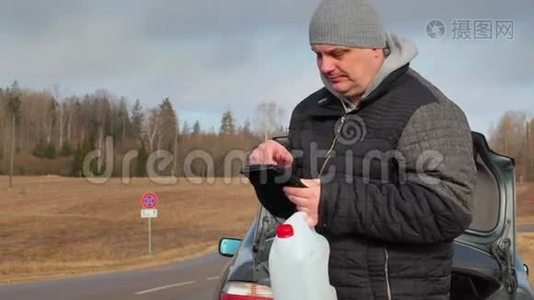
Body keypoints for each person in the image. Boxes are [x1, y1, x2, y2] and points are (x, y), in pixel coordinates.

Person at [248, 0, 477, 299]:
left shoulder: (427, 109)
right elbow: (293, 208)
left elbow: (447, 210)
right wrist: (273, 172)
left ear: (375, 49)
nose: (325, 66)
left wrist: (331, 201)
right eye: (318, 54)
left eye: (337, 53)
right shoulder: (308, 111)